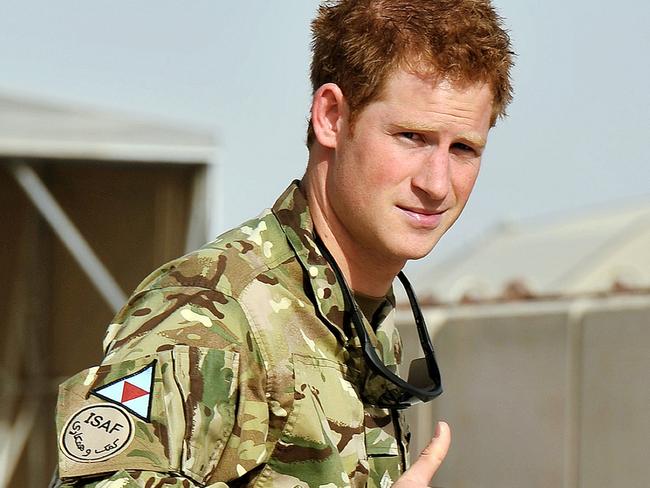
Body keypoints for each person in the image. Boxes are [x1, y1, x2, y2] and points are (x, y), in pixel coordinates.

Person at [52, 0, 513, 486]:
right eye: (411, 136)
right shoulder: (210, 310)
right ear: (332, 117)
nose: (438, 184)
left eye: (463, 148)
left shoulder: (361, 320)